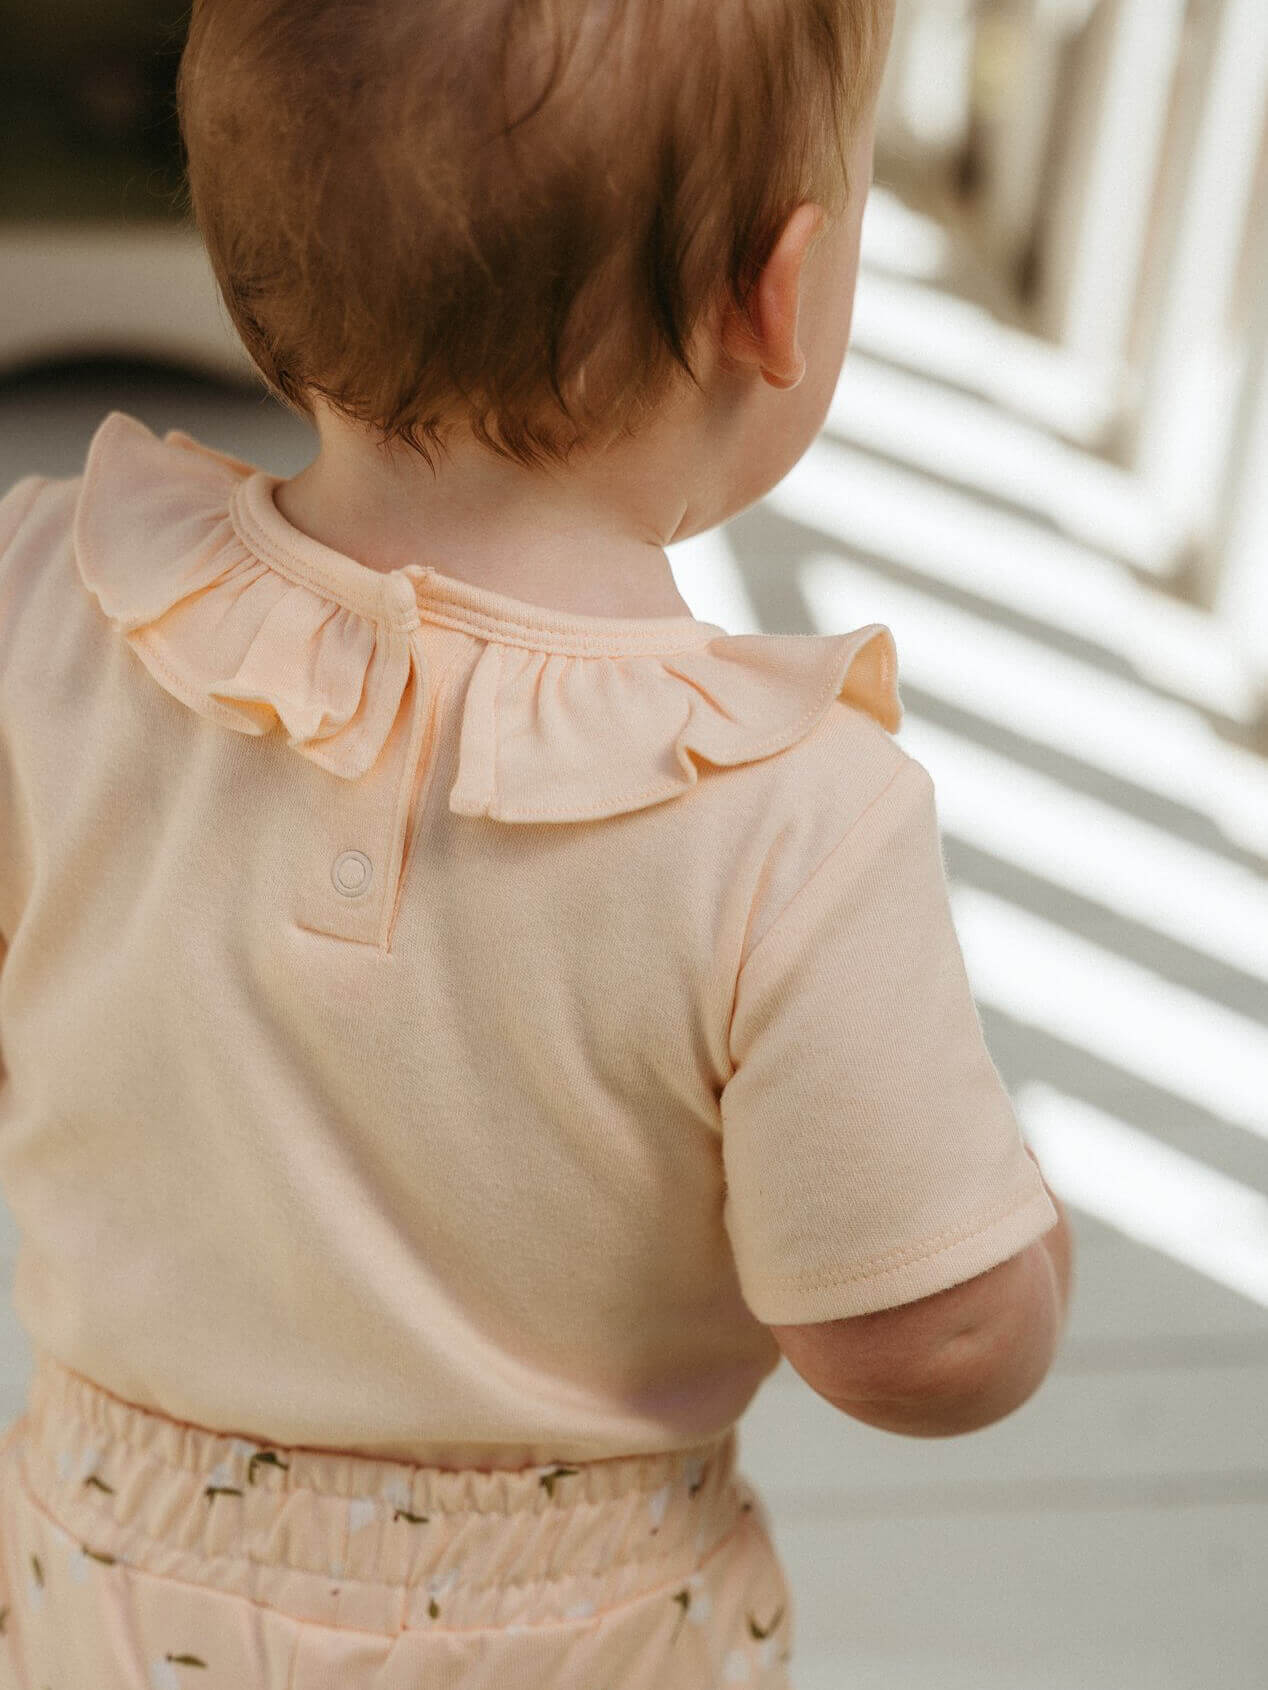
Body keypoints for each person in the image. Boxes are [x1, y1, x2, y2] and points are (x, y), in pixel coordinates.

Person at [0, 0, 1073, 1684]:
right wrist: (1009, 1278)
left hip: (102, 1578)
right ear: (777, 295)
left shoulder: (54, 606)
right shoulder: (788, 820)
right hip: (567, 1634)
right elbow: (916, 1329)